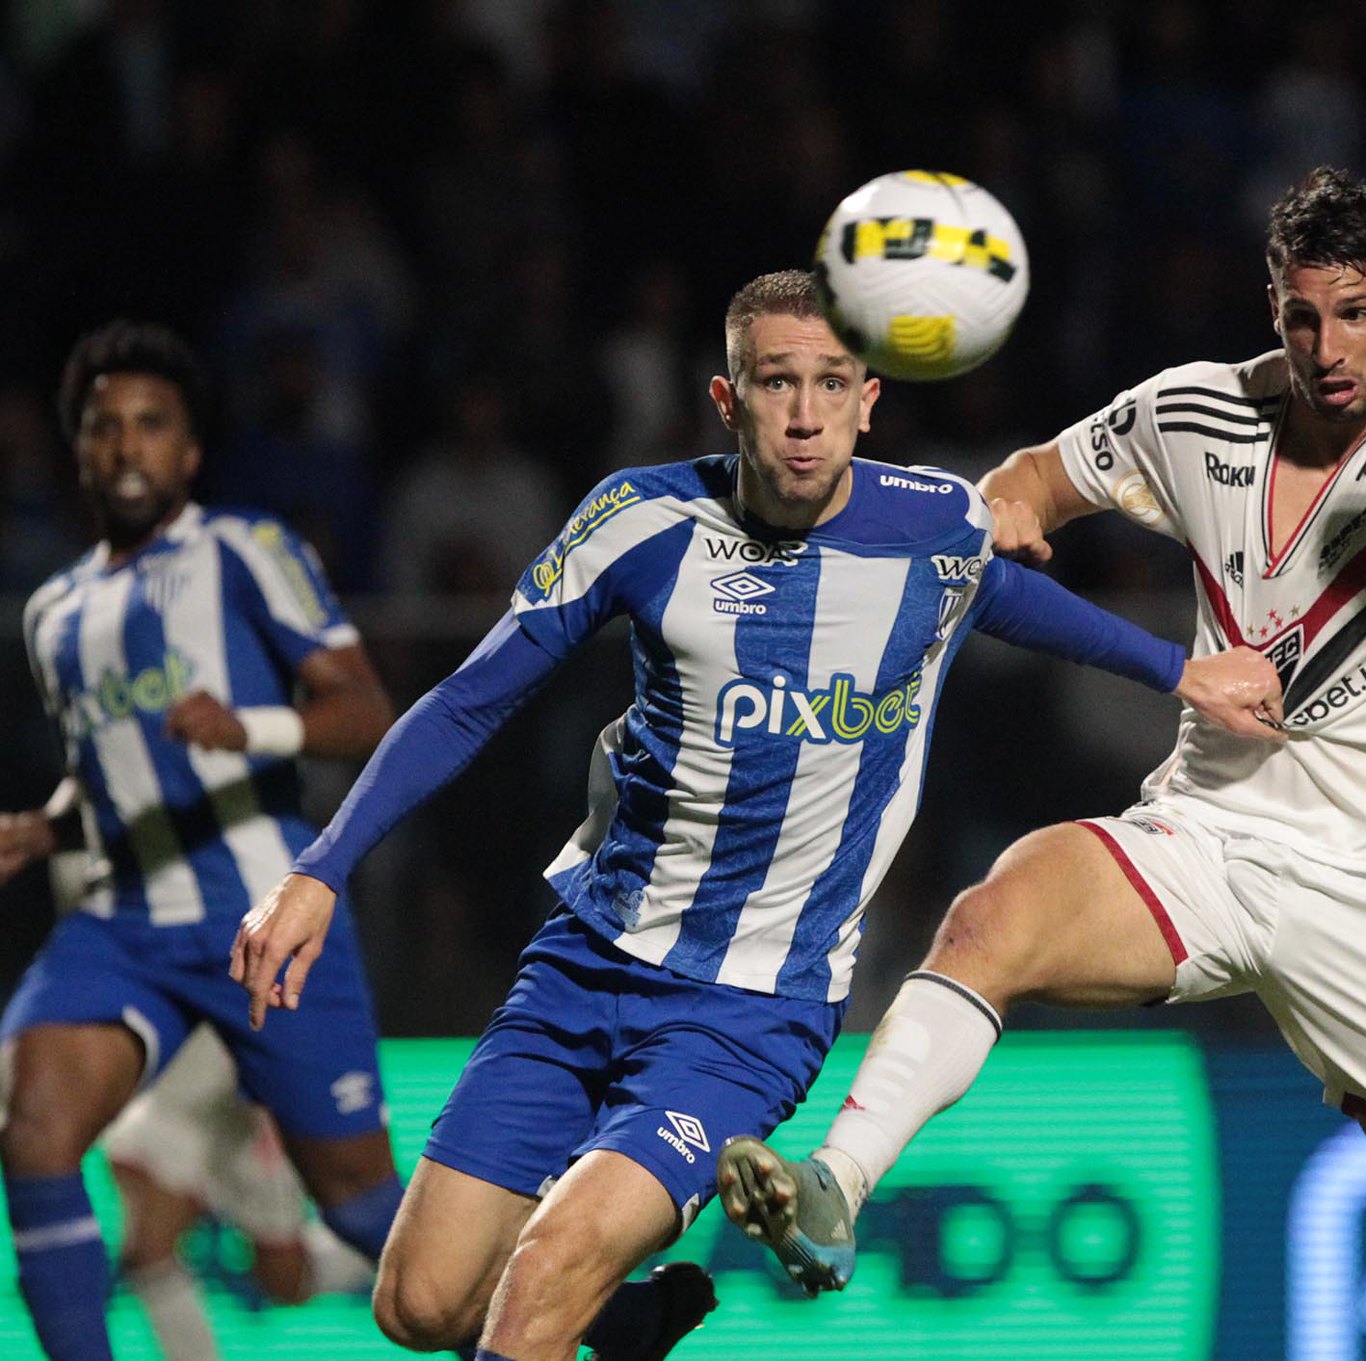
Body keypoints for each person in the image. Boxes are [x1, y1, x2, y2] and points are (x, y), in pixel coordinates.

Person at [227, 270, 1283, 1361]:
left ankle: (597, 1297)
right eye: (775, 381)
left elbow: (1007, 593)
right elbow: (468, 697)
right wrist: (321, 867)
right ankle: (631, 1320)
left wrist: (1178, 668)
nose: (804, 412)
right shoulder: (638, 520)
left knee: (545, 1272)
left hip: (748, 1011)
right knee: (421, 1306)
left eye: (830, 382)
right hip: (584, 960)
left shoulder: (935, 526)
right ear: (727, 400)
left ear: (868, 397)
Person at [717, 167, 1366, 1361]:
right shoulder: (1196, 413)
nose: (1326, 345)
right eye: (1301, 315)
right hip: (1206, 837)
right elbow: (1036, 473)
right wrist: (1004, 508)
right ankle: (833, 1184)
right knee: (991, 917)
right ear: (1270, 307)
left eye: (1355, 312)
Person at [0, 320, 406, 1361]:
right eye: (105, 428)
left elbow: (365, 708)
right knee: (35, 1128)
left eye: (151, 425)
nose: (127, 445)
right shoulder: (55, 610)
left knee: (364, 1211)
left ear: (186, 452)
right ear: (80, 450)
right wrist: (45, 828)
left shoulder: (245, 549)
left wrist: (251, 727)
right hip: (125, 920)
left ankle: (592, 1318)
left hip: (260, 914)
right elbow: (114, 773)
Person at [99, 1022, 377, 1361]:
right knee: (150, 1250)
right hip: (178, 1089)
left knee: (286, 1281)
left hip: (254, 1097)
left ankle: (387, 1253)